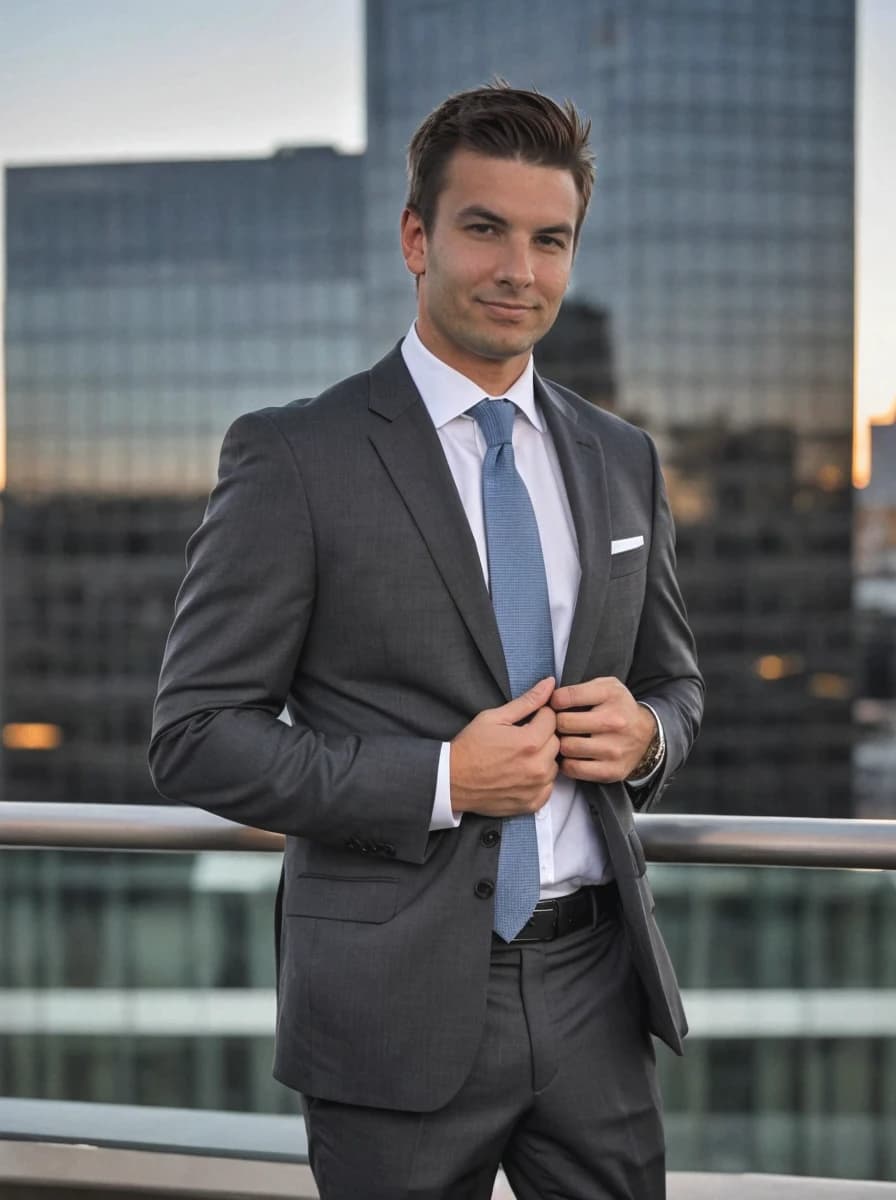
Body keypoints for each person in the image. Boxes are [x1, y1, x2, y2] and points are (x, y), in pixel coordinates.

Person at [150, 82, 703, 1200]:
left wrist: (645, 735)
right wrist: (445, 778)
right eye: (483, 229)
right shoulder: (296, 457)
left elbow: (675, 684)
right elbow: (197, 735)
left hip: (597, 986)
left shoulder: (620, 457)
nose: (519, 272)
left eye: (549, 240)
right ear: (416, 237)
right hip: (390, 1000)